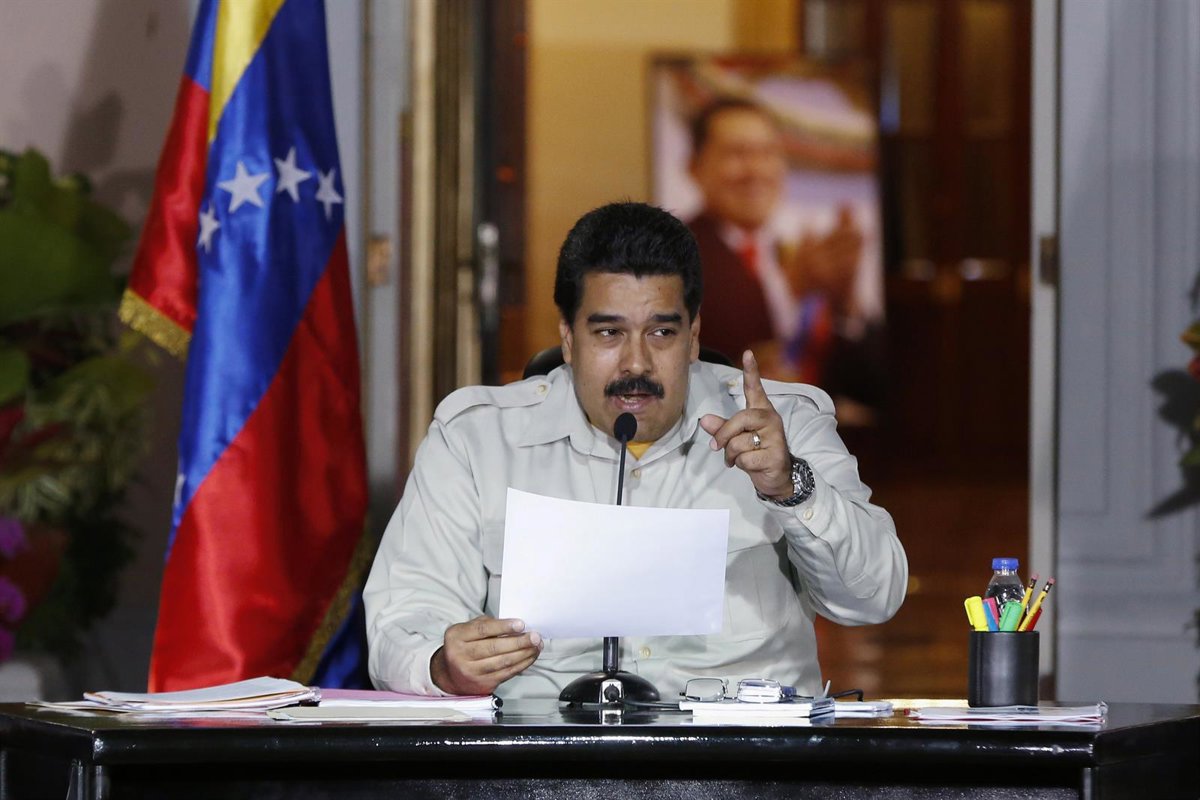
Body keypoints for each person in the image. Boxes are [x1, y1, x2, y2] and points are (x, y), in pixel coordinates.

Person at [363, 201, 907, 699]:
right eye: (608, 333)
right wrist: (442, 666)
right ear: (568, 339)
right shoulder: (476, 439)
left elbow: (874, 598)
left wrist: (791, 488)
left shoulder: (784, 425)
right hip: (548, 751)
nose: (637, 364)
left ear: (694, 336)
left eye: (662, 333)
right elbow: (401, 620)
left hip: (739, 756)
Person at [685, 98, 883, 407]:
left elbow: (867, 384)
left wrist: (844, 305)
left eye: (768, 153)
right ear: (695, 167)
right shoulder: (678, 256)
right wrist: (790, 296)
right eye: (737, 153)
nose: (756, 170)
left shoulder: (789, 252)